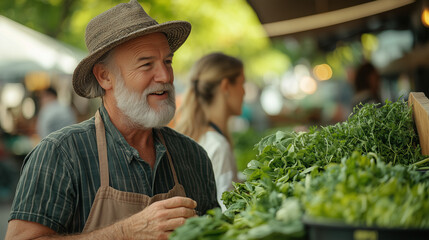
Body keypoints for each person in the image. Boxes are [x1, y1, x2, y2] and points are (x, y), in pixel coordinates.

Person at [5, 0, 219, 239]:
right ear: (105, 76)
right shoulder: (61, 154)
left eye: (167, 61)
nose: (165, 75)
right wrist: (127, 231)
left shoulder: (193, 157)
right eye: (147, 64)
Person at [174, 52, 245, 211]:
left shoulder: (192, 137)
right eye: (242, 83)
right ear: (226, 86)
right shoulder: (218, 145)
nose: (244, 92)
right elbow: (229, 212)